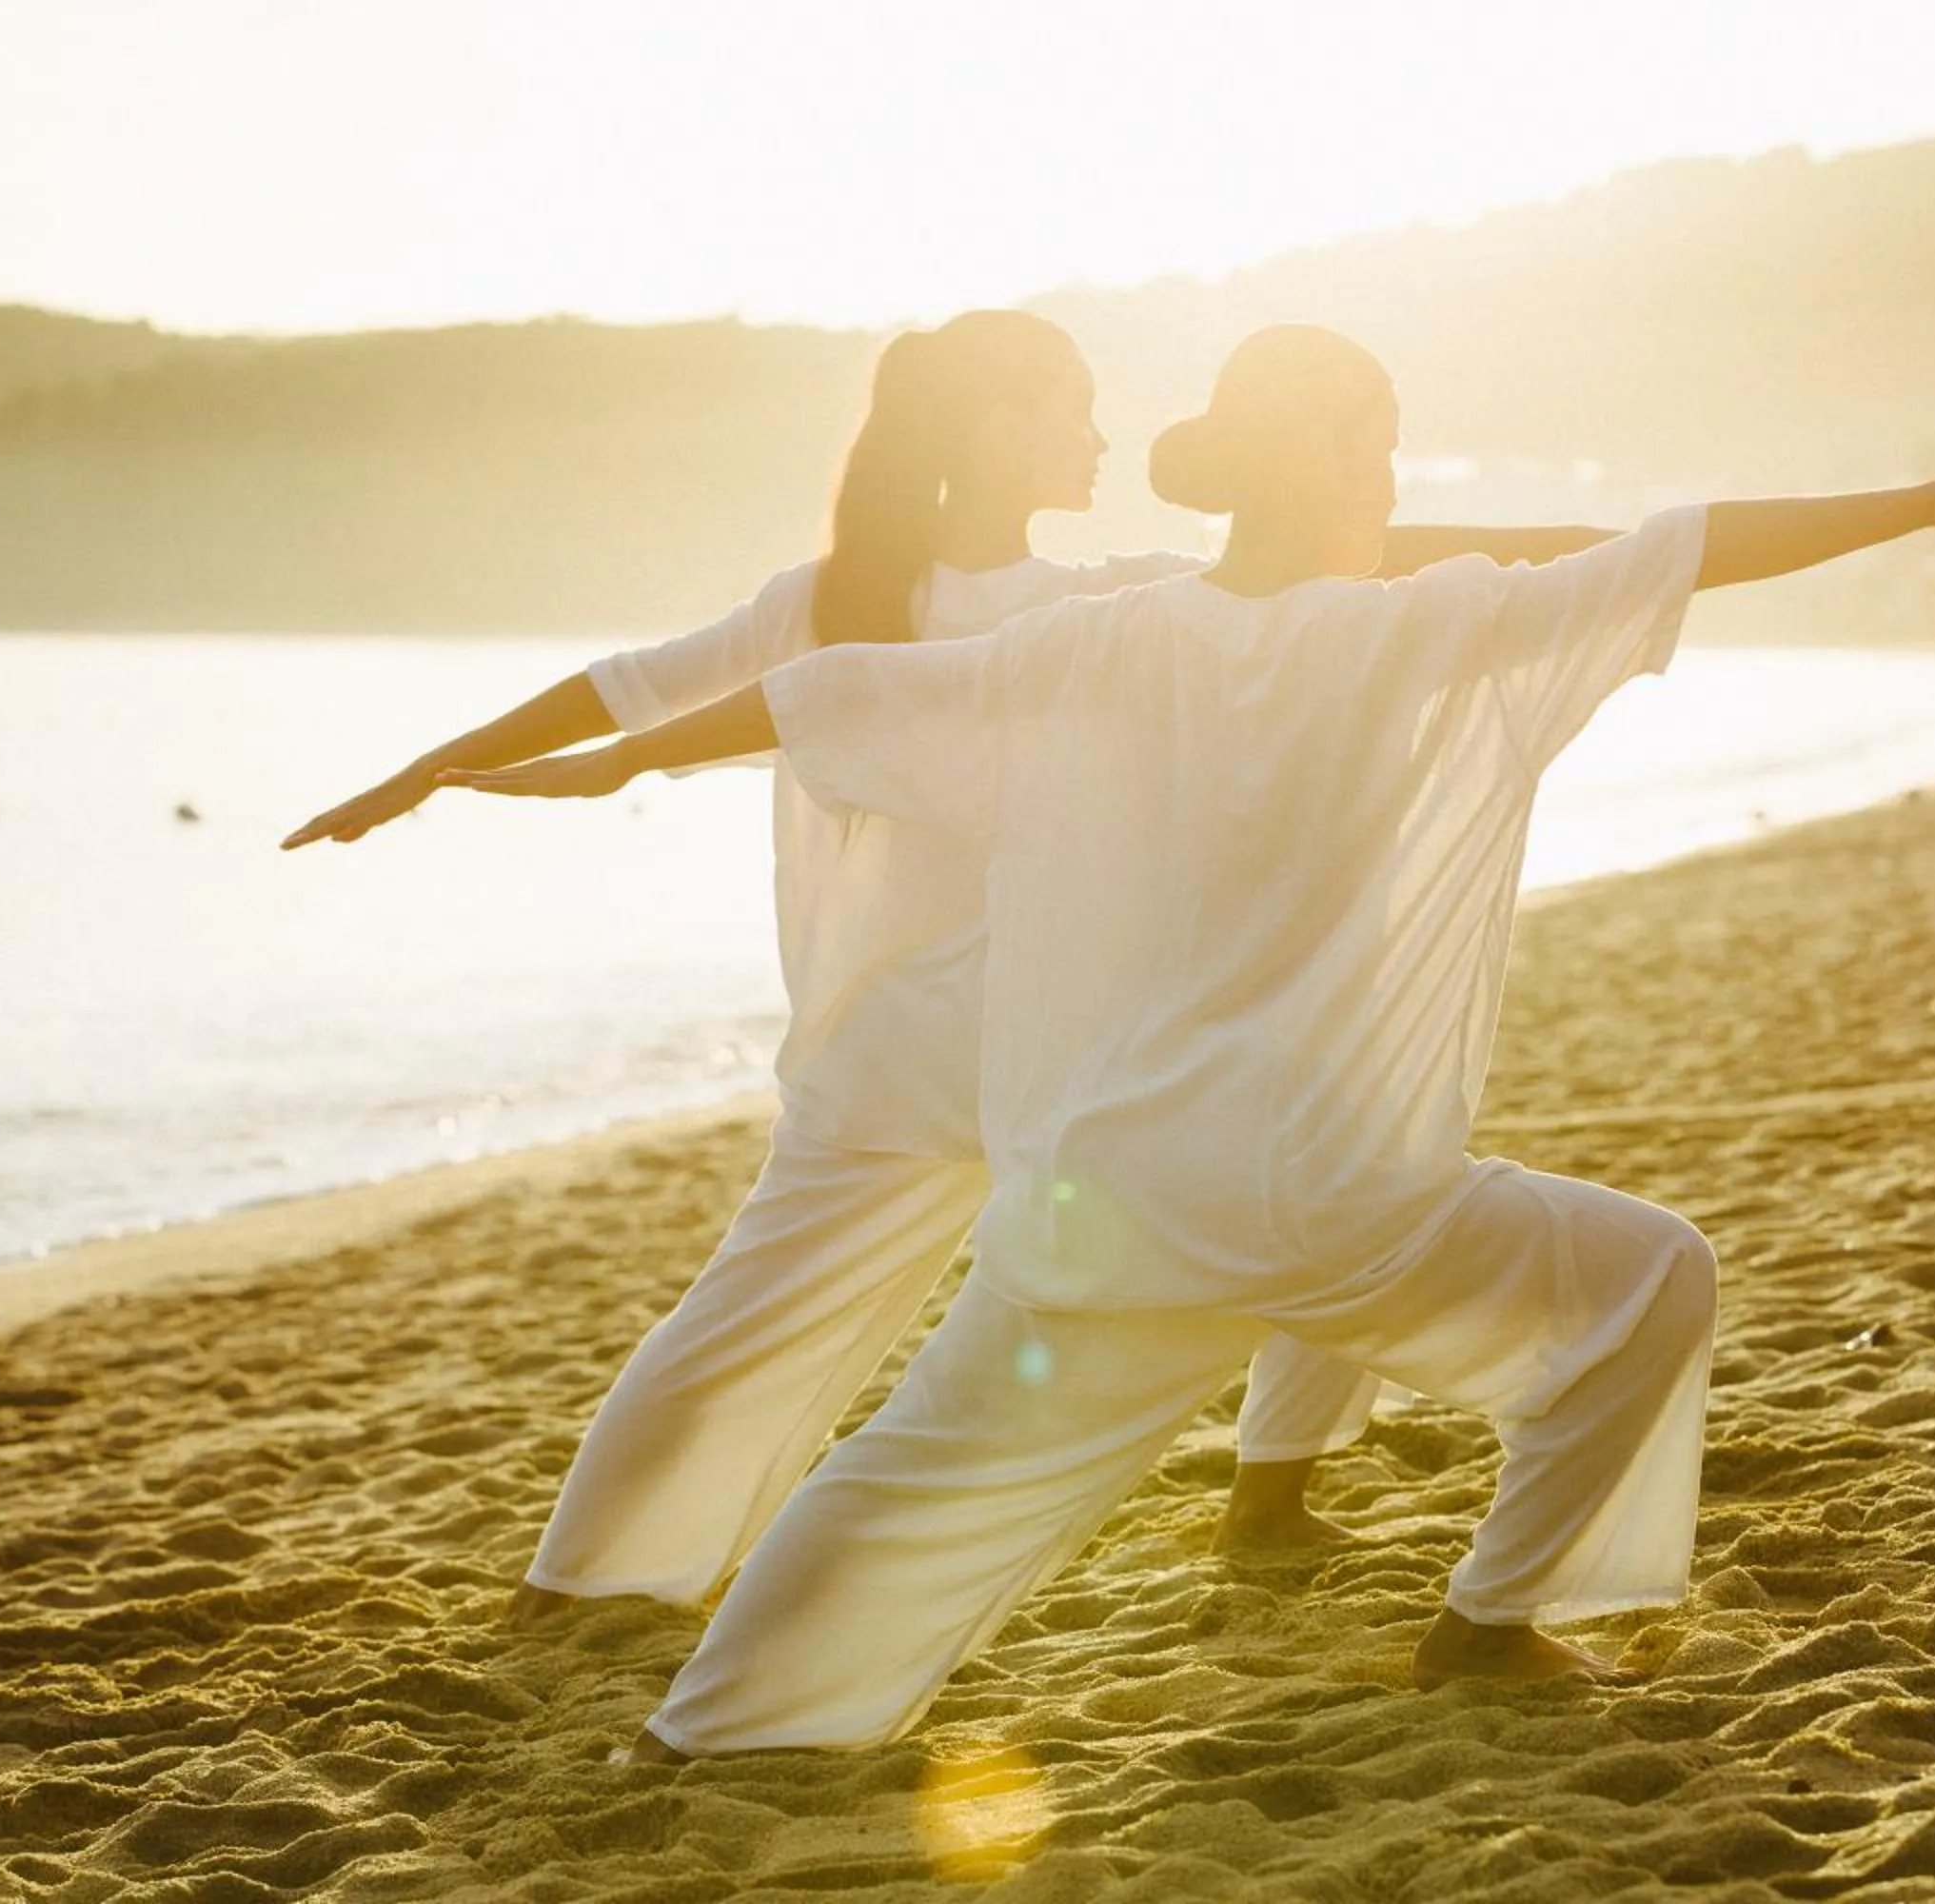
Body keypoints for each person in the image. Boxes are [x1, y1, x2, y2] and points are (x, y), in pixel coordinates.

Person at [445, 323, 1935, 1757]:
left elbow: (830, 702)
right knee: (1647, 1287)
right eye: (1373, 440)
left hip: (1104, 1203)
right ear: (1320, 467)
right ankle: (1490, 1626)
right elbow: (1679, 543)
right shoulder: (1417, 625)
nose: (1388, 473)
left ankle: (714, 1724)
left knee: (903, 1480)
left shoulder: (1095, 642)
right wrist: (1926, 504)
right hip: (1337, 1202)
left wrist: (619, 761)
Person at [282, 310, 1615, 1618]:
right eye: (1073, 403)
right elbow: (1374, 566)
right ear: (996, 423)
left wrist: (427, 771)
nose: (1097, 433)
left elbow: (627, 696)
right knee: (1319, 1163)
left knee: (744, 1331)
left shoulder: (840, 601)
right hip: (1057, 1048)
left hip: (908, 1057)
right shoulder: (1096, 602)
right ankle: (1267, 1498)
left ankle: (582, 1582)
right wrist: (1598, 565)